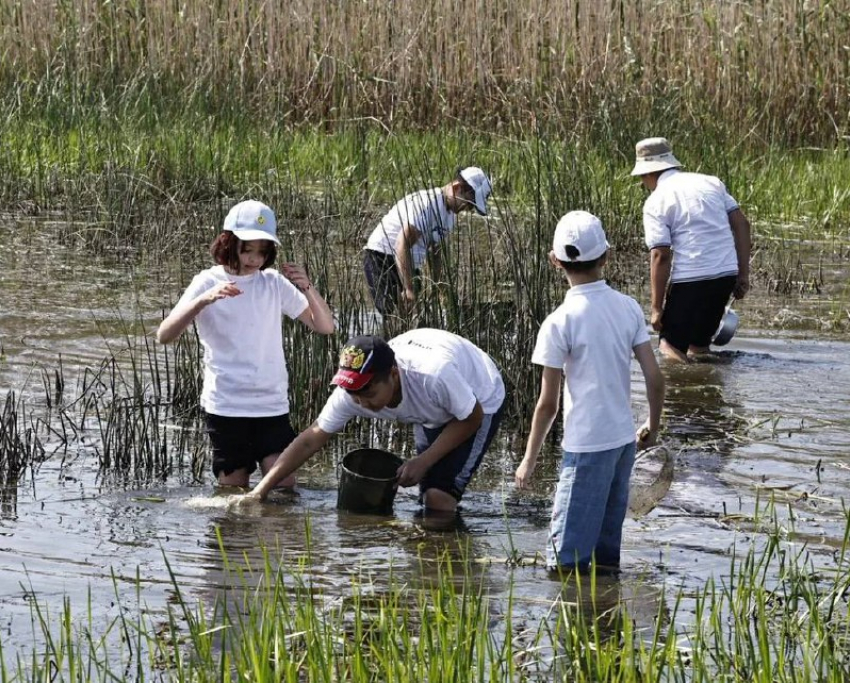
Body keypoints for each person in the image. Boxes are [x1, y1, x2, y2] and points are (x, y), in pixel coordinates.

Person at [515, 211, 665, 571]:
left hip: (585, 449)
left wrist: (529, 459)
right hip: (622, 444)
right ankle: (605, 622)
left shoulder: (558, 322)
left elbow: (547, 405)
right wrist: (652, 426)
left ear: (555, 261)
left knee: (564, 563)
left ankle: (571, 623)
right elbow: (655, 376)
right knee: (605, 557)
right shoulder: (627, 307)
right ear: (606, 256)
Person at [156, 200, 335, 487]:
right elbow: (165, 335)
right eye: (247, 249)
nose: (254, 259)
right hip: (226, 404)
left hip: (271, 403)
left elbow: (324, 326)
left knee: (284, 485)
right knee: (233, 491)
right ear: (229, 243)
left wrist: (308, 287)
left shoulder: (273, 283)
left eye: (262, 252)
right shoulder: (207, 281)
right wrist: (204, 300)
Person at [236, 328, 505, 513]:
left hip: (480, 397)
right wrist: (259, 491)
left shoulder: (433, 376)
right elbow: (310, 439)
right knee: (428, 495)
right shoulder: (351, 394)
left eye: (369, 393)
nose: (363, 403)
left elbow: (472, 417)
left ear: (394, 375)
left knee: (439, 498)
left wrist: (423, 460)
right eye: (355, 394)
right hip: (432, 407)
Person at [630, 137, 752, 362]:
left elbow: (660, 255)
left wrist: (656, 309)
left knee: (669, 348)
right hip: (725, 275)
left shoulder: (656, 201)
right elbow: (742, 225)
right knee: (698, 347)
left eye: (641, 177)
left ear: (648, 173)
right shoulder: (711, 182)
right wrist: (742, 274)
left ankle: (691, 391)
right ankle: (707, 384)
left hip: (691, 279)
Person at [363, 167, 492, 316]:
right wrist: (409, 288)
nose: (468, 209)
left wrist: (440, 288)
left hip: (409, 262)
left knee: (416, 316)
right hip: (382, 258)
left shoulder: (450, 216)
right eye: (469, 204)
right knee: (395, 315)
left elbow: (435, 252)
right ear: (457, 188)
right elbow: (402, 243)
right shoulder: (428, 203)